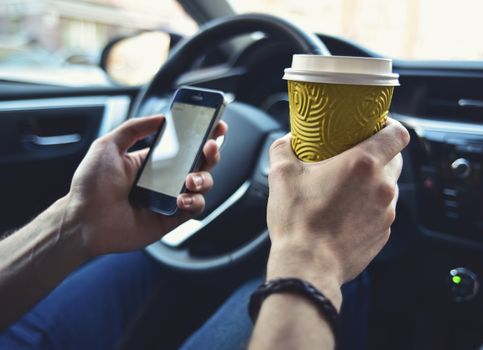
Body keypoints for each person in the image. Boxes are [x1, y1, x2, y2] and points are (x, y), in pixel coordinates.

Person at [0, 114, 409, 349]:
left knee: (151, 259)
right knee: (346, 281)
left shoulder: (89, 220)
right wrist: (315, 259)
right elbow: (319, 264)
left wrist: (76, 221)